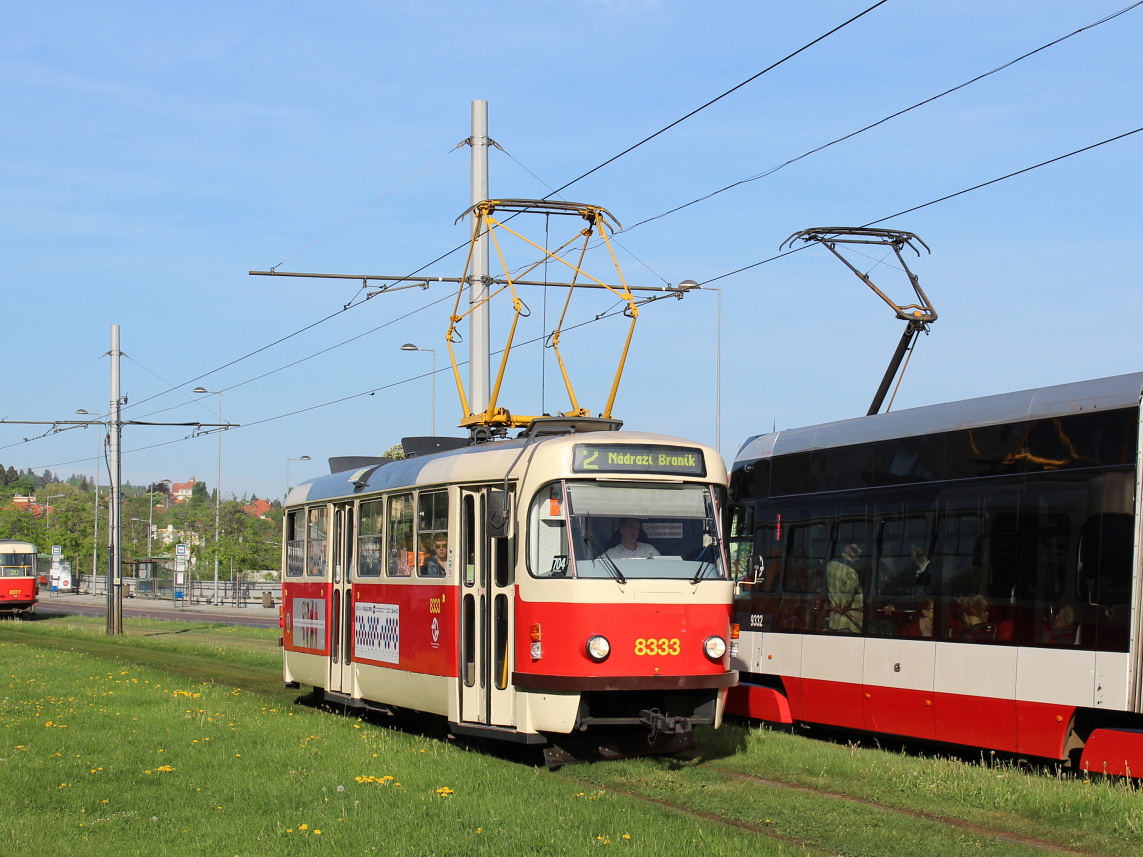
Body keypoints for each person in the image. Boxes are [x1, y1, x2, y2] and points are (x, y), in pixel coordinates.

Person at [825, 543, 864, 634]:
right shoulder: (850, 570)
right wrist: (842, 605)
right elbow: (848, 595)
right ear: (846, 548)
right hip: (849, 623)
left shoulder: (831, 565)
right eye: (857, 548)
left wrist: (836, 606)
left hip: (834, 621)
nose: (860, 551)